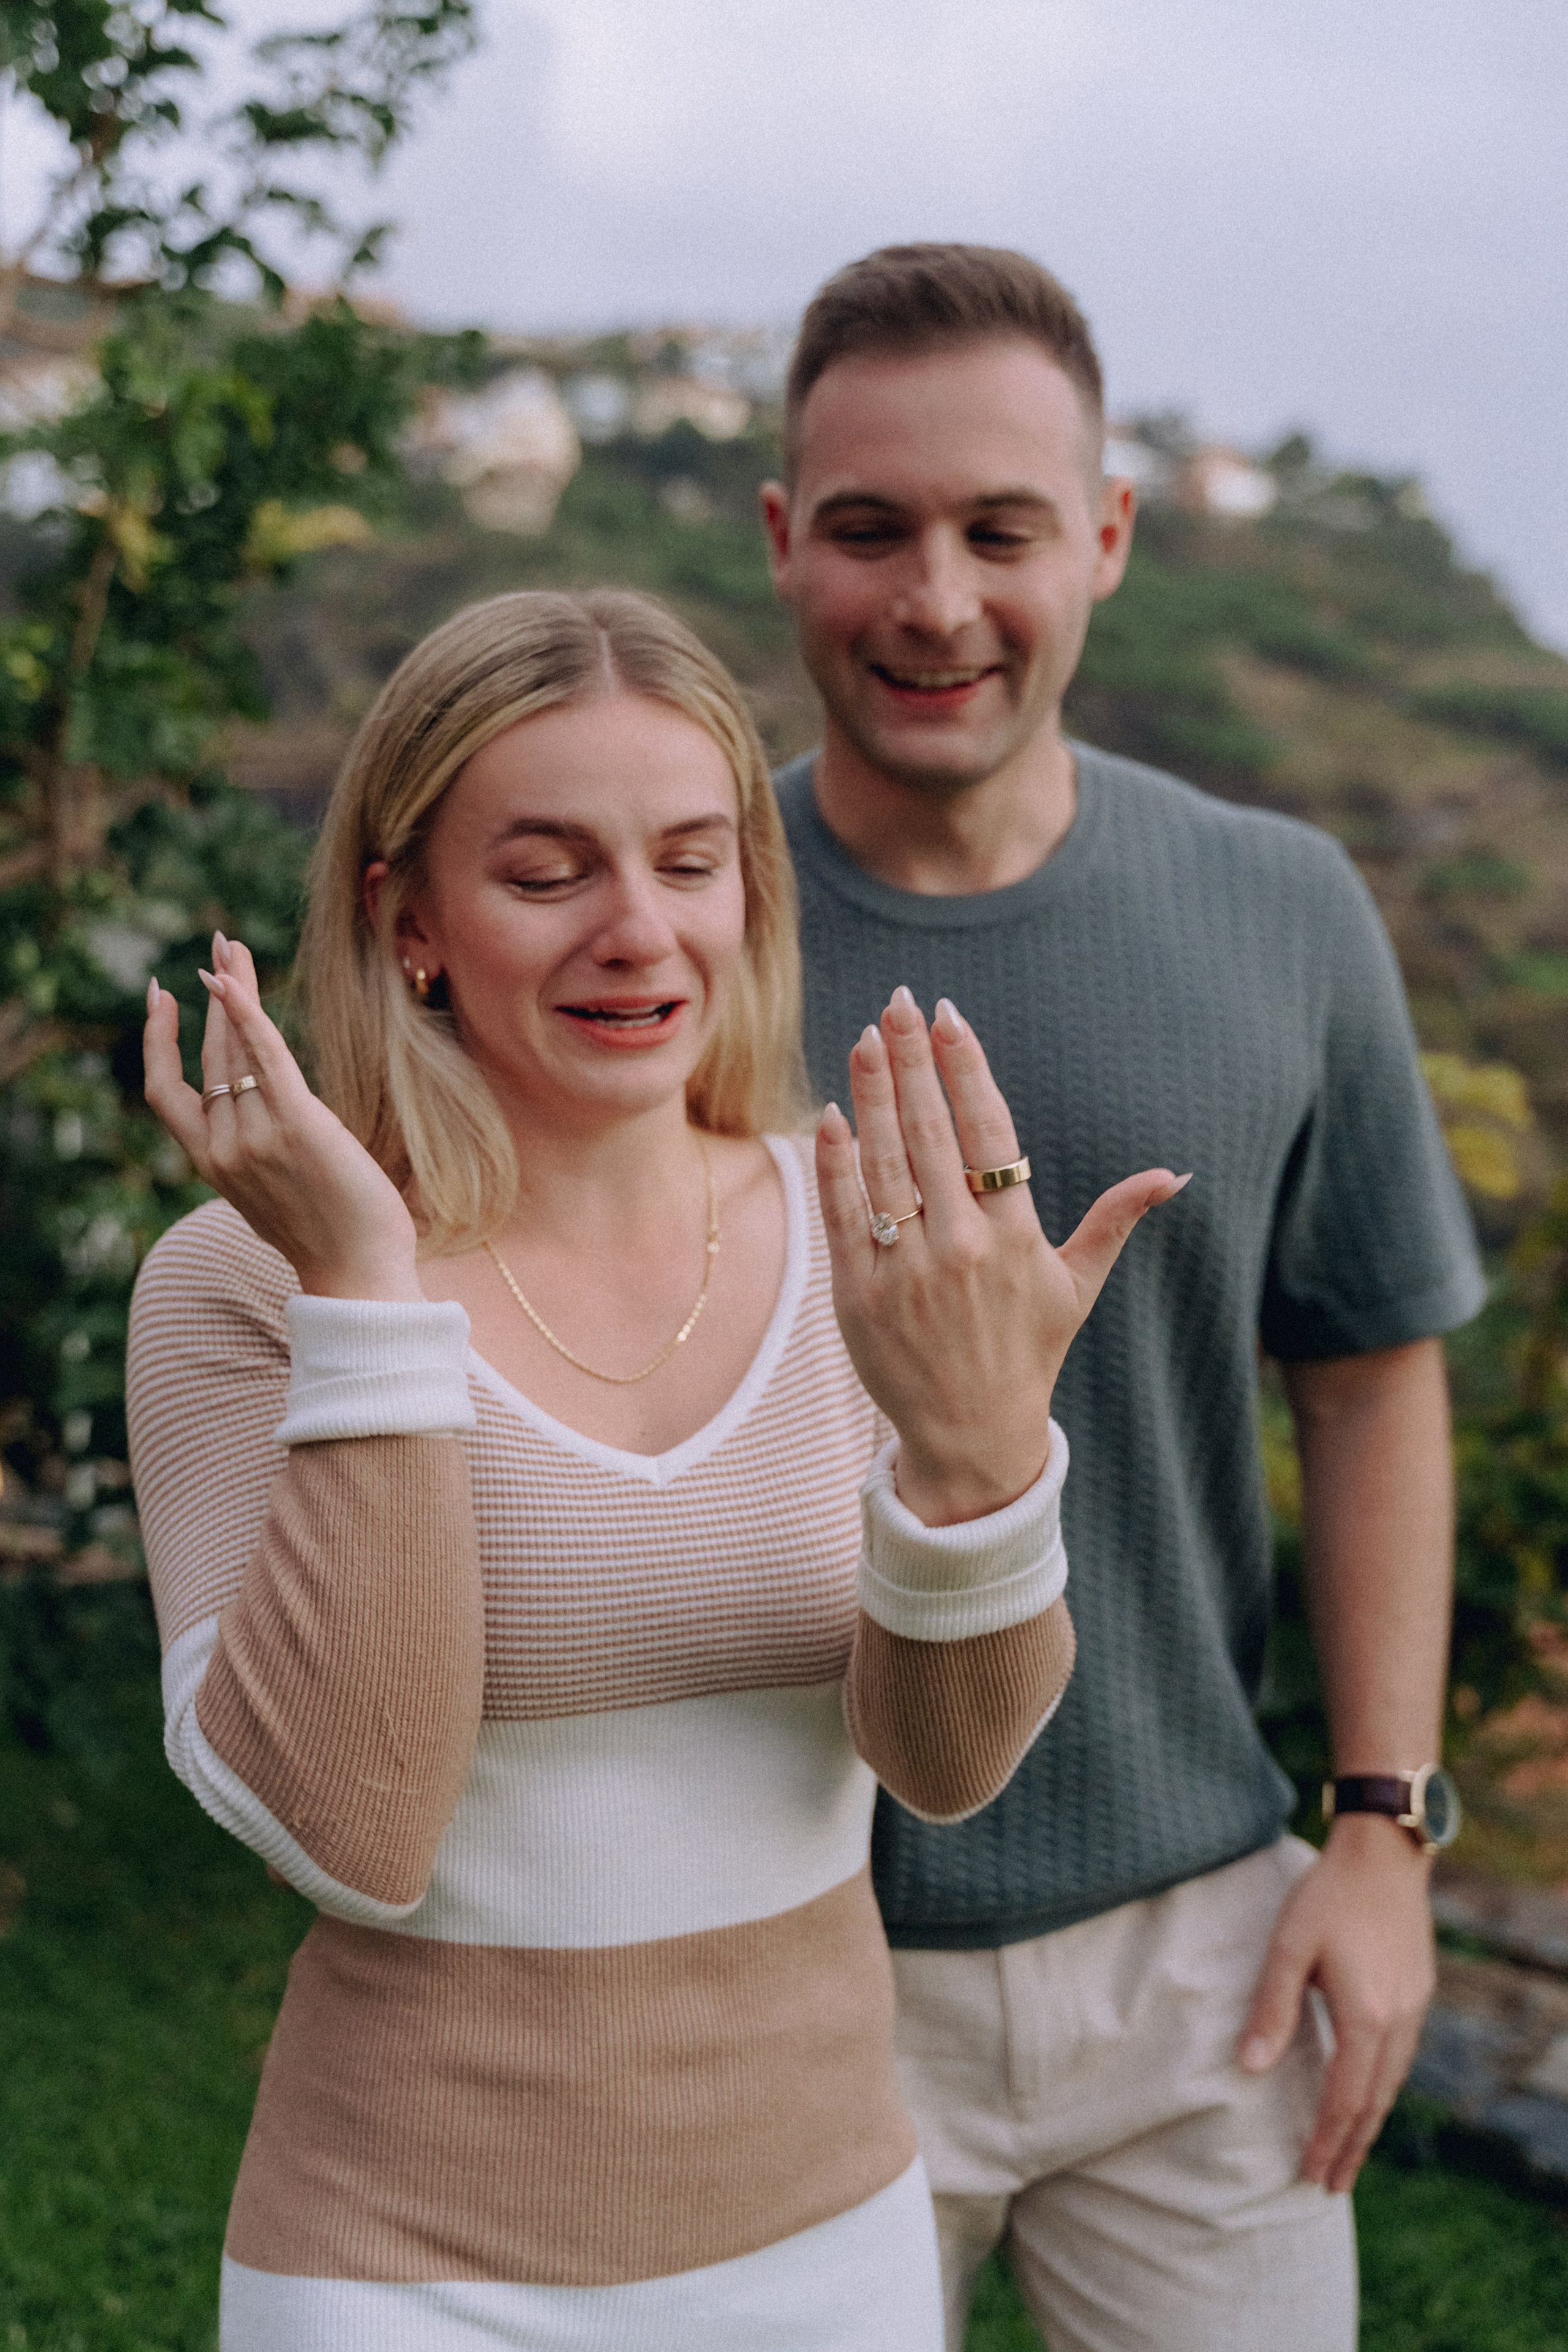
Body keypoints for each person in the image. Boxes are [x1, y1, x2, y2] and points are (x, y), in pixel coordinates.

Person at [126, 586, 1181, 2352]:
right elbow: (359, 1826)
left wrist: (982, 1455)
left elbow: (948, 1768)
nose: (639, 934)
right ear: (410, 921)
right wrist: (371, 1300)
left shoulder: (870, 1239)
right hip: (396, 2269)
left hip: (824, 2245)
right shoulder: (243, 1281)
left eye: (691, 863)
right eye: (547, 875)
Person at [760, 244, 1485, 2352]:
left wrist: (1380, 1831)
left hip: (1204, 1961)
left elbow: (1367, 1380)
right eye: (874, 530)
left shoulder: (1281, 906)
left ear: (1107, 539)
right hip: (783, 1950)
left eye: (1002, 531)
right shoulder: (663, 926)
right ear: (785, 541)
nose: (937, 602)